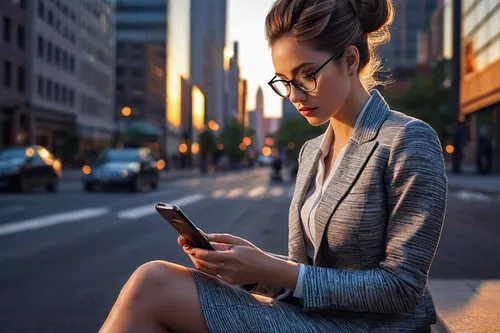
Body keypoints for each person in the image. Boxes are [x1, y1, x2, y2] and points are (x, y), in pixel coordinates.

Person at [99, 0, 447, 332]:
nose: (295, 95)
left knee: (153, 282)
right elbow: (306, 277)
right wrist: (251, 268)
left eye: (306, 75)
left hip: (367, 327)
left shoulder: (407, 140)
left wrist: (276, 269)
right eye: (284, 80)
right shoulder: (312, 151)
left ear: (351, 60)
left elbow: (402, 287)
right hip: (311, 319)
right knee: (152, 285)